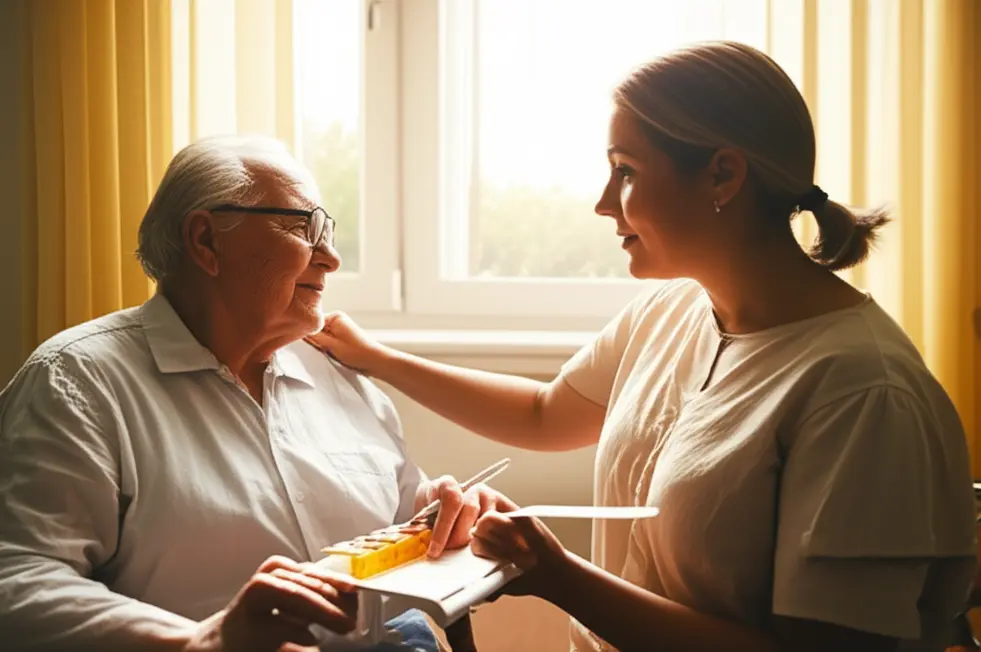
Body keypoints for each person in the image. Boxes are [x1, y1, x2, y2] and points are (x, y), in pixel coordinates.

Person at [307, 41, 978, 652]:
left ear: (722, 175)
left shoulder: (861, 393)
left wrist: (559, 575)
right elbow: (546, 414)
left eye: (624, 172)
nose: (603, 203)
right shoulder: (676, 307)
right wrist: (378, 359)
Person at [0, 135, 510, 652]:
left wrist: (442, 513)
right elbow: (16, 578)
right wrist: (202, 640)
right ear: (206, 241)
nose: (330, 258)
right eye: (302, 227)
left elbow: (399, 513)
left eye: (327, 230)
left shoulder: (339, 375)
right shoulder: (77, 382)